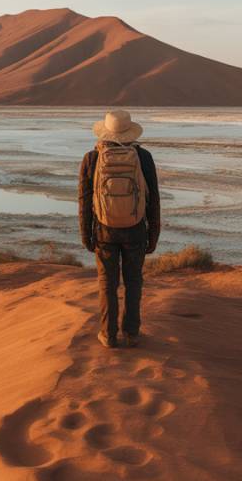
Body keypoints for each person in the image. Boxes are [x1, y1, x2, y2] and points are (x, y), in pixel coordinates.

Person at [79, 110, 160, 348]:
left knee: (107, 283)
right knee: (134, 281)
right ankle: (132, 333)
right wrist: (153, 234)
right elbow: (153, 197)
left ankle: (109, 334)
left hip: (104, 231)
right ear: (130, 131)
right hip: (135, 229)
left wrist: (86, 235)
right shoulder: (143, 157)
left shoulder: (92, 158)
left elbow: (84, 200)